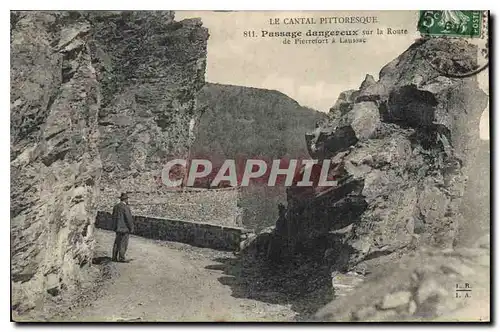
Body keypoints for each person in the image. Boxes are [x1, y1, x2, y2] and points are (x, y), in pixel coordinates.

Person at [112, 193, 135, 262]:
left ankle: (114, 257)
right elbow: (128, 219)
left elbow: (113, 217)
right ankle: (122, 258)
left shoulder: (116, 207)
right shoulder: (126, 207)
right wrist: (131, 228)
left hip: (117, 228)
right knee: (123, 243)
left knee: (117, 243)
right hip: (124, 228)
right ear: (126, 199)